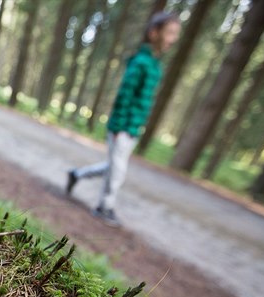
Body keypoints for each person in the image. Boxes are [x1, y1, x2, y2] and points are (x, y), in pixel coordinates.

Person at [65, 12, 181, 227]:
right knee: (118, 169)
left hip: (134, 127)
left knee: (113, 166)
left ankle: (77, 174)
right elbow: (124, 96)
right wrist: (119, 126)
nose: (173, 39)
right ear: (154, 32)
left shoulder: (155, 65)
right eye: (170, 33)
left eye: (176, 35)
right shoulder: (141, 63)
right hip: (123, 126)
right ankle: (104, 206)